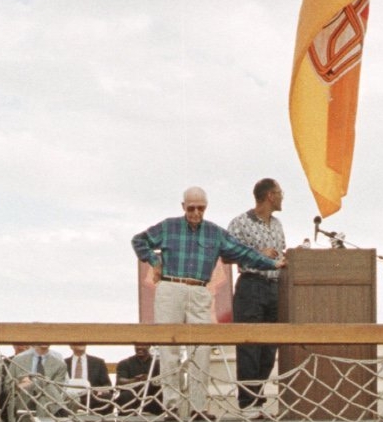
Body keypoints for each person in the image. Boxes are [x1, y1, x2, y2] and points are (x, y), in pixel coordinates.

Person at [131, 186, 285, 419]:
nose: (195, 212)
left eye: (200, 208)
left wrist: (272, 264)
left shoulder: (215, 233)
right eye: (191, 208)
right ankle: (172, 406)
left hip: (200, 290)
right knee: (168, 348)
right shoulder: (168, 226)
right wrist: (154, 260)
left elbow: (243, 252)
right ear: (183, 207)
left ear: (206, 207)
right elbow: (139, 240)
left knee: (202, 349)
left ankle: (198, 408)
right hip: (170, 287)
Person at [227, 178, 286, 413]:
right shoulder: (239, 223)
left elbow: (280, 255)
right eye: (280, 193)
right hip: (251, 286)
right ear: (270, 195)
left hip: (275, 287)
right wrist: (256, 253)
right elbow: (226, 256)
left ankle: (257, 400)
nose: (283, 197)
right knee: (249, 345)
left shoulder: (278, 224)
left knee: (269, 348)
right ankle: (247, 404)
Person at [9, 344, 67, 418]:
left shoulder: (60, 365)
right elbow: (7, 388)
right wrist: (20, 386)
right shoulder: (18, 360)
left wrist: (36, 383)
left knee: (42, 397)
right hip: (23, 399)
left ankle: (58, 411)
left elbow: (58, 390)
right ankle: (60, 411)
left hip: (48, 401)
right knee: (41, 380)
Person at [116, 345, 163, 415]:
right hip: (131, 395)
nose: (139, 347)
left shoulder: (158, 364)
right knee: (125, 396)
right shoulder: (124, 363)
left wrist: (150, 379)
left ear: (149, 346)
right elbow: (120, 381)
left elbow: (164, 381)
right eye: (137, 345)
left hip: (152, 395)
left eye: (143, 345)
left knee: (160, 396)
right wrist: (136, 380)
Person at [65, 344, 112, 413]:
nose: (80, 343)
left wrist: (100, 391)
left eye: (83, 341)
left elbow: (107, 384)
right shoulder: (63, 363)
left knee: (108, 397)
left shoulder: (98, 362)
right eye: (77, 341)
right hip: (69, 396)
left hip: (92, 395)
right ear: (71, 346)